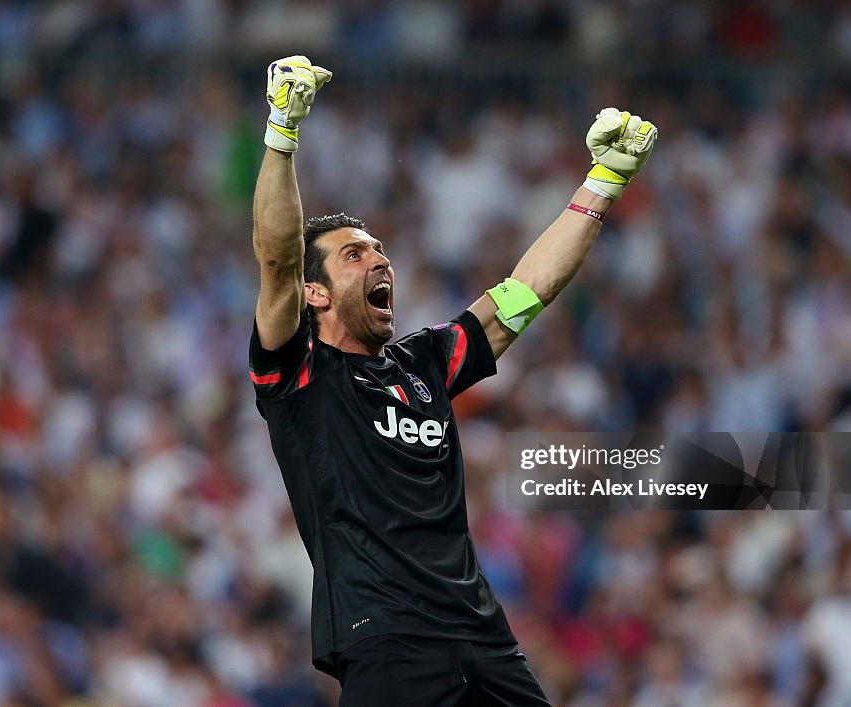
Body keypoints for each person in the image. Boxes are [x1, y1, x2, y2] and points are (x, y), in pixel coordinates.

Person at [249, 55, 657, 706]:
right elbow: (276, 257)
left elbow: (528, 292)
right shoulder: (300, 375)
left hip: (480, 637)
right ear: (315, 295)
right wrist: (282, 132)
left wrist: (603, 181)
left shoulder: (425, 362)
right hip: (385, 640)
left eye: (380, 248)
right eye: (355, 254)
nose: (380, 258)